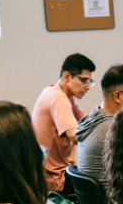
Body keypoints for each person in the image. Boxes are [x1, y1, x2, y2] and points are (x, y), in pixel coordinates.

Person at [32, 53, 95, 193]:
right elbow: (75, 136)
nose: (88, 87)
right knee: (103, 184)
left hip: (52, 173)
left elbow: (87, 122)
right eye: (84, 80)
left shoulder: (61, 94)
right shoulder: (58, 98)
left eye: (90, 82)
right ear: (67, 76)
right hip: (53, 179)